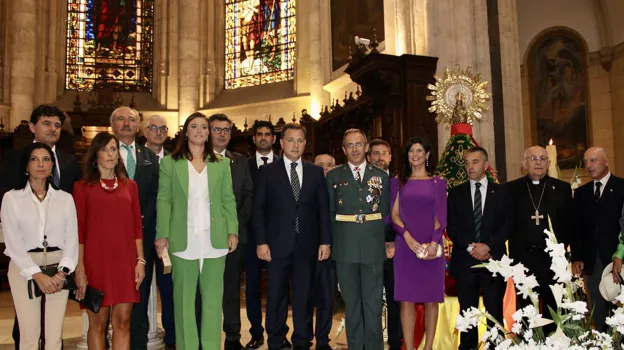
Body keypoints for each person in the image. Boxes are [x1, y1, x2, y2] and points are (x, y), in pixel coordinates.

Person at [154, 112, 239, 350]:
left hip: (215, 240)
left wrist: (233, 230)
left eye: (204, 127)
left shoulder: (221, 164)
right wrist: (162, 234)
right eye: (195, 126)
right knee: (183, 302)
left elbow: (228, 200)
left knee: (213, 301)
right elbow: (164, 200)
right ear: (186, 131)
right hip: (183, 240)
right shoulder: (170, 163)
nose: (200, 131)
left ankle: (212, 346)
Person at [0, 104, 82, 348]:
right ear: (26, 165)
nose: (41, 164)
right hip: (25, 264)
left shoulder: (65, 196)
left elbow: (71, 237)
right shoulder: (12, 197)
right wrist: (35, 273)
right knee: (28, 333)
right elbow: (12, 240)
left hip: (58, 267)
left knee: (55, 334)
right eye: (35, 159)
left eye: (46, 160)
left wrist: (63, 271)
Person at [253, 123, 332, 350]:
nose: (295, 145)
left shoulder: (315, 172)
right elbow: (258, 210)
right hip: (276, 245)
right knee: (276, 297)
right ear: (282, 143)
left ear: (305, 144)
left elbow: (323, 210)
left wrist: (325, 241)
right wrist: (261, 241)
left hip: (307, 245)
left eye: (299, 140)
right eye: (290, 140)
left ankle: (302, 341)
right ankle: (276, 341)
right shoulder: (268, 172)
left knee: (304, 298)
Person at [73, 132, 146, 349]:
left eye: (113, 148)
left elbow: (136, 227)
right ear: (95, 155)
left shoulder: (129, 186)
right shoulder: (82, 187)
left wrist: (140, 260)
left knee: (123, 322)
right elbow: (79, 231)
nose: (110, 153)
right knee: (98, 324)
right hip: (96, 264)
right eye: (104, 149)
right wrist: (80, 267)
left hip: (125, 262)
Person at [326, 129, 390, 350]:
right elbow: (330, 213)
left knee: (372, 304)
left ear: (366, 147)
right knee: (352, 304)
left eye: (358, 144)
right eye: (349, 145)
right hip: (345, 247)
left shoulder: (381, 177)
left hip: (372, 246)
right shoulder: (334, 176)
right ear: (344, 150)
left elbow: (384, 213)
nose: (354, 149)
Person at [506, 146, 575, 334]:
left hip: (552, 261)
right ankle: (528, 342)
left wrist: (566, 254)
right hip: (523, 258)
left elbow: (570, 224)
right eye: (533, 158)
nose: (538, 162)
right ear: (524, 163)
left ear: (549, 163)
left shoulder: (562, 189)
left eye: (543, 158)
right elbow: (504, 224)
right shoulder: (511, 189)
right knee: (526, 308)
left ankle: (555, 342)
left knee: (554, 306)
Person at [447, 147, 510, 349]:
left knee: (494, 311)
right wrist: (471, 247)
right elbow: (452, 227)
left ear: (485, 164)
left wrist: (487, 246)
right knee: (468, 312)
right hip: (465, 262)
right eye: (466, 162)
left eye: (474, 162)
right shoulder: (456, 193)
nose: (469, 166)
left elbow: (507, 225)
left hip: (493, 259)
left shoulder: (501, 192)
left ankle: (495, 346)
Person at [388, 137, 446, 350]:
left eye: (419, 150)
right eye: (411, 151)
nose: (415, 154)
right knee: (406, 299)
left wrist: (432, 243)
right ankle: (410, 347)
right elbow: (394, 215)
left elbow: (440, 215)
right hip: (406, 246)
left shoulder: (437, 182)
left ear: (427, 154)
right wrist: (408, 238)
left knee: (432, 299)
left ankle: (428, 346)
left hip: (431, 245)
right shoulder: (398, 181)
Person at [109, 106, 160, 350]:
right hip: (109, 239)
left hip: (144, 237)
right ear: (112, 125)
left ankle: (137, 345)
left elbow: (156, 197)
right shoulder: (102, 154)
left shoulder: (149, 156)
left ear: (138, 126)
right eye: (121, 119)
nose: (127, 123)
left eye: (131, 120)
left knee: (139, 294)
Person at [203, 113, 253, 350]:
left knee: (231, 289)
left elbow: (247, 196)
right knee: (204, 291)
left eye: (226, 130)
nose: (222, 134)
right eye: (217, 129)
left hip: (233, 237)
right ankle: (205, 337)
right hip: (202, 237)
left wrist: (233, 228)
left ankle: (233, 337)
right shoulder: (196, 159)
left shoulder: (241, 161)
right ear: (207, 132)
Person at [246, 120, 290, 349]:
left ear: (274, 139)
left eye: (267, 134)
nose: (263, 138)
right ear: (253, 138)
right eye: (259, 134)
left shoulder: (286, 164)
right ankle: (256, 333)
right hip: (251, 236)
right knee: (252, 287)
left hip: (280, 237)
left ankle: (280, 332)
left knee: (279, 288)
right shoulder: (243, 165)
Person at [571, 147, 624, 331]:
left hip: (617, 260)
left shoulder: (622, 187)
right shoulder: (581, 193)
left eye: (593, 160)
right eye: (586, 162)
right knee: (598, 310)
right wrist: (577, 256)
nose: (589, 166)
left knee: (620, 311)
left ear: (606, 161)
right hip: (592, 262)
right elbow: (576, 228)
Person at [141, 114, 176, 349]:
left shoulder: (174, 160)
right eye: (154, 127)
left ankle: (173, 339)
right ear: (145, 131)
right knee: (140, 290)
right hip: (141, 234)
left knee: (170, 289)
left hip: (169, 236)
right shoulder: (133, 157)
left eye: (163, 128)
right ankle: (139, 339)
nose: (159, 131)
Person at [366, 138, 402, 350]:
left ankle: (396, 343)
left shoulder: (399, 184)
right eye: (375, 153)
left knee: (396, 301)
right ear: (369, 157)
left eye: (383, 153)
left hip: (396, 252)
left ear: (390, 157)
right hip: (368, 251)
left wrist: (395, 244)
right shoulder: (360, 184)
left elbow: (407, 218)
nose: (379, 157)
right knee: (370, 302)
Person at [311, 153, 338, 350]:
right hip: (307, 250)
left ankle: (322, 340)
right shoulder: (305, 187)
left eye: (329, 165)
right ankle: (302, 338)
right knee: (305, 299)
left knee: (327, 298)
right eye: (321, 165)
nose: (325, 169)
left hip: (334, 251)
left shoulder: (341, 190)